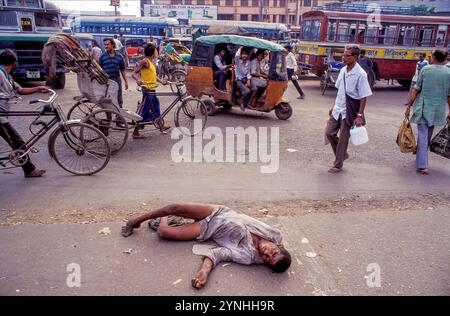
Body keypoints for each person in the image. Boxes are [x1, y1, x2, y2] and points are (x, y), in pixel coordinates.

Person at [121, 203, 292, 289]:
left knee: (164, 233)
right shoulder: (275, 234)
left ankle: (165, 219)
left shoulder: (247, 256)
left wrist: (204, 271)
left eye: (267, 259)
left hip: (207, 229)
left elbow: (218, 254)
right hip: (219, 212)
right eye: (274, 252)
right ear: (279, 245)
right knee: (175, 206)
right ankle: (135, 221)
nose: (266, 253)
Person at [325, 44, 372, 173]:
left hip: (350, 111)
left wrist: (359, 115)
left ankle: (338, 164)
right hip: (337, 108)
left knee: (343, 139)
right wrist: (334, 106)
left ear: (355, 57)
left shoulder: (361, 74)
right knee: (329, 133)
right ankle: (343, 155)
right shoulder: (342, 70)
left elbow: (363, 97)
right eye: (343, 55)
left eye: (347, 55)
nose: (343, 58)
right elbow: (339, 89)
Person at [0, 50, 48, 178]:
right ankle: (29, 170)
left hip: (3, 116)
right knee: (18, 143)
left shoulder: (8, 77)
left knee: (18, 143)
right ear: (14, 64)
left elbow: (20, 90)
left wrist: (38, 89)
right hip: (0, 119)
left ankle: (29, 170)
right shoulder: (0, 74)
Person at [405, 49, 450, 175]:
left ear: (434, 57)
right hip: (438, 109)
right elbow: (449, 95)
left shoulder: (426, 70)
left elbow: (416, 89)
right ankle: (421, 156)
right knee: (427, 134)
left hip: (424, 108)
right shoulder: (448, 72)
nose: (430, 58)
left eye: (431, 56)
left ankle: (422, 165)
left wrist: (409, 105)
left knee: (423, 135)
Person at [131, 44, 170, 138]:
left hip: (152, 89)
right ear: (153, 53)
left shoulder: (150, 62)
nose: (157, 52)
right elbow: (133, 73)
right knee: (144, 110)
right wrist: (138, 80)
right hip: (147, 90)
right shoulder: (145, 61)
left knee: (156, 106)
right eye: (156, 50)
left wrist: (161, 81)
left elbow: (153, 75)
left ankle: (160, 125)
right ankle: (135, 132)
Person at [99, 38, 128, 108]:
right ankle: (109, 117)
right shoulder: (102, 56)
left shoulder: (119, 56)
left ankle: (118, 117)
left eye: (108, 44)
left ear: (112, 45)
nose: (106, 46)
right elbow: (100, 69)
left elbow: (122, 70)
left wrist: (126, 81)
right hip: (106, 81)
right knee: (107, 99)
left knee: (118, 99)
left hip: (117, 80)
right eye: (105, 45)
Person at [234, 47, 252, 111]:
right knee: (247, 91)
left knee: (254, 88)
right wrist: (240, 48)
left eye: (246, 54)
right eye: (243, 54)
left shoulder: (249, 62)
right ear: (241, 55)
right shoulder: (238, 61)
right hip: (238, 80)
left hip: (245, 79)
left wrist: (249, 80)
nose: (245, 55)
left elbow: (248, 72)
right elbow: (236, 56)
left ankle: (247, 103)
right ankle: (242, 102)